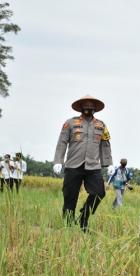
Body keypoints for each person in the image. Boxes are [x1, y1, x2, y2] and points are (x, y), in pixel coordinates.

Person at [53, 95, 113, 232]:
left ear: (95, 109)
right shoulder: (71, 123)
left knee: (99, 192)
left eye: (91, 106)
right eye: (86, 105)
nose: (88, 108)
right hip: (73, 165)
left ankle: (84, 217)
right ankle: (67, 226)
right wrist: (58, 161)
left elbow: (105, 145)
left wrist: (108, 163)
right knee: (70, 196)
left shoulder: (101, 125)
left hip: (93, 166)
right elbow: (62, 143)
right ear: (81, 107)